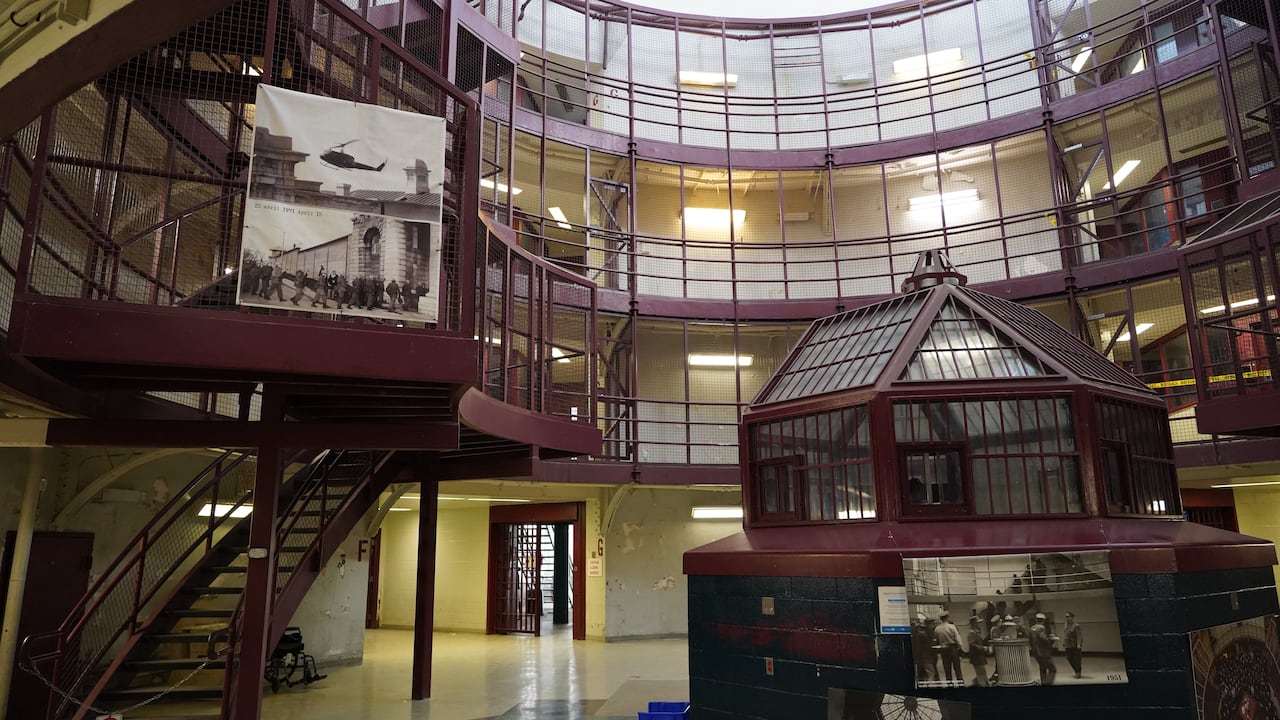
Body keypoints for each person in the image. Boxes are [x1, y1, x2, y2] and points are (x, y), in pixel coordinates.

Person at [933, 611, 964, 687]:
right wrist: (960, 648)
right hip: (952, 649)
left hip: (943, 650)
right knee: (957, 668)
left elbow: (936, 641)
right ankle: (961, 685)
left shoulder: (937, 629)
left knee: (947, 669)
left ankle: (950, 685)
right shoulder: (952, 627)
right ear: (947, 617)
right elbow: (957, 639)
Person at [1029, 612, 1056, 685]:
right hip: (1043, 652)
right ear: (1043, 620)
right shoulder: (1041, 628)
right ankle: (1048, 683)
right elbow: (1043, 639)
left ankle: (1043, 682)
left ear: (1036, 620)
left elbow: (1030, 640)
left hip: (1035, 652)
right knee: (1053, 669)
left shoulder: (1032, 628)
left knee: (1042, 668)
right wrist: (1051, 640)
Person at [911, 613, 937, 683]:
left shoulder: (930, 633)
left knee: (926, 675)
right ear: (928, 624)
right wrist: (917, 659)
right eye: (932, 624)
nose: (934, 625)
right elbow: (918, 648)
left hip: (928, 657)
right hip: (925, 658)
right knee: (930, 673)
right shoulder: (922, 634)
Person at [966, 614, 990, 687]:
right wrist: (983, 648)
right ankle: (983, 686)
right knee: (980, 673)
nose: (979, 624)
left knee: (982, 672)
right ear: (974, 624)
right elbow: (972, 645)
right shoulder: (971, 633)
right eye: (977, 623)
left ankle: (985, 684)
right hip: (976, 657)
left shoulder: (976, 632)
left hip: (979, 656)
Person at [1063, 611, 1084, 679]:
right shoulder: (1065, 625)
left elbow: (1079, 636)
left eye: (1068, 617)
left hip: (1074, 646)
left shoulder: (1076, 625)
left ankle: (1078, 673)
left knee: (1077, 660)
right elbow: (1066, 635)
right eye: (1066, 617)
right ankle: (1076, 671)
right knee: (1069, 658)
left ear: (1072, 617)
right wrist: (1064, 642)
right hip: (1067, 645)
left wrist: (1079, 645)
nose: (1066, 618)